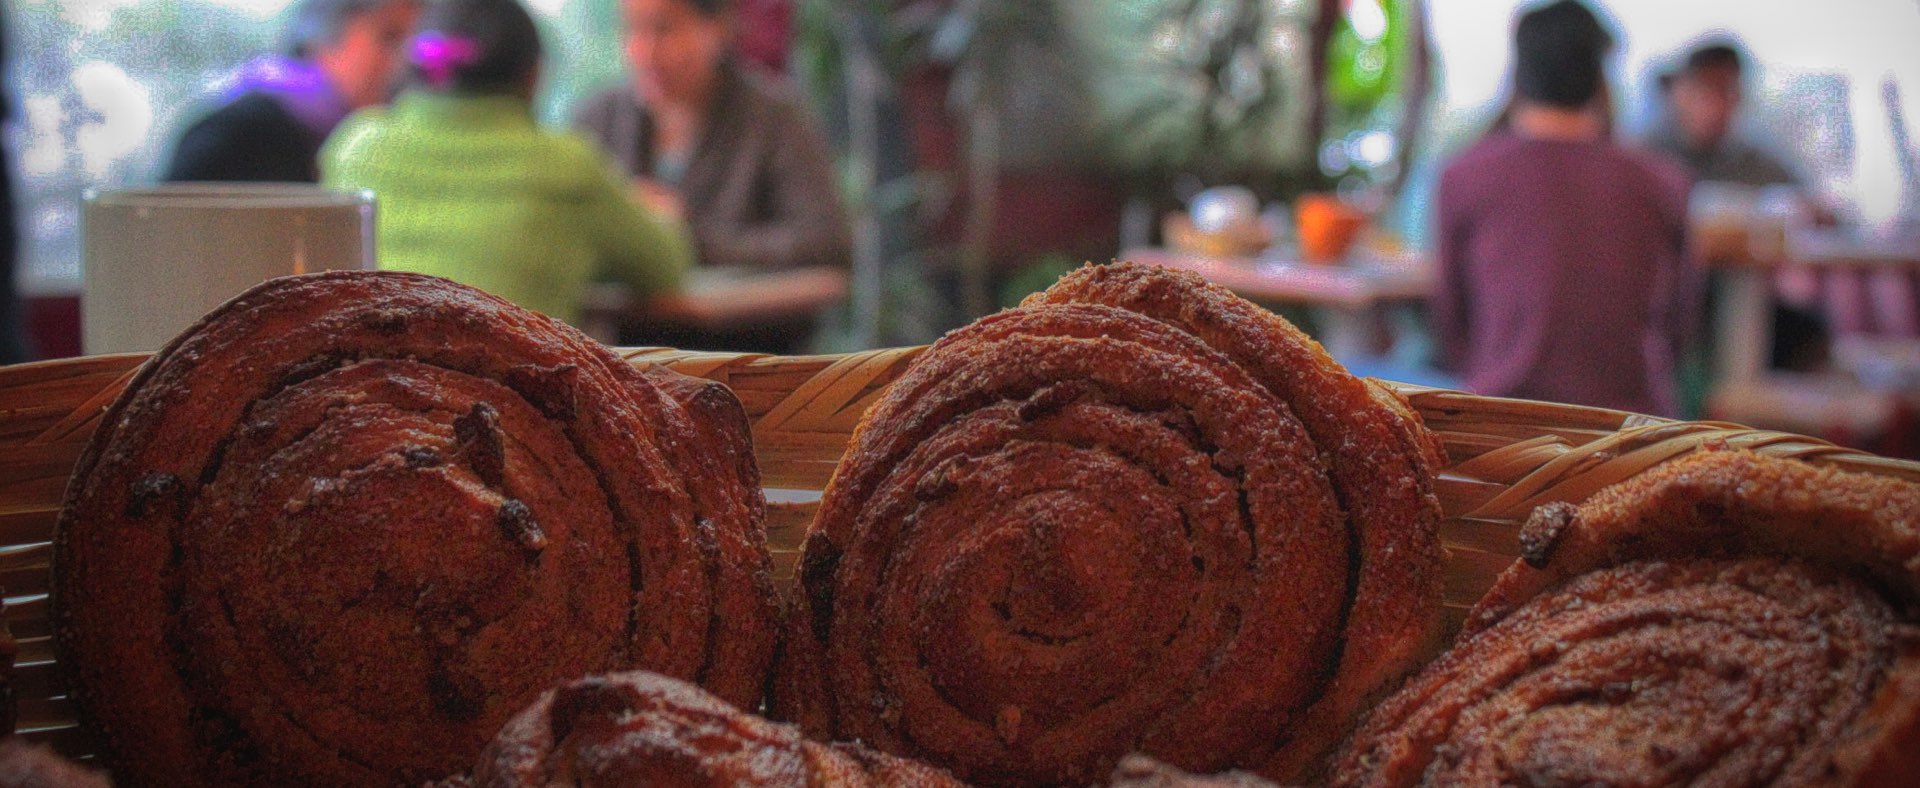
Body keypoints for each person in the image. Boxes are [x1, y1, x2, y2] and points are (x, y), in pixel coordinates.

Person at [321, 0, 693, 326]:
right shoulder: (564, 166)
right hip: (505, 383)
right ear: (532, 77)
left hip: (364, 380)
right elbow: (665, 270)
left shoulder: (354, 146)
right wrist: (663, 213)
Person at [1433, 0, 1696, 417]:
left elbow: (1452, 325)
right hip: (1634, 429)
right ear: (1599, 77)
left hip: (1501, 424)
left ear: (1518, 74)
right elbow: (1680, 327)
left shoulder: (1463, 176)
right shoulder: (1663, 182)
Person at [574, 0, 849, 273]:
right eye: (632, 28)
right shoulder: (598, 120)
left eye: (664, 29)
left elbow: (826, 242)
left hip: (745, 302)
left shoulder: (773, 119)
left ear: (718, 27)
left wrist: (688, 236)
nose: (644, 52)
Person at [165, 0, 422, 182]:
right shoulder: (236, 133)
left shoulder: (364, 142)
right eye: (390, 37)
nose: (403, 61)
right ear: (325, 32)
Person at [1645, 41, 1800, 189]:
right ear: (1677, 94)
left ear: (1738, 98)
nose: (1714, 104)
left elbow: (1798, 199)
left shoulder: (1763, 170)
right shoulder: (1645, 159)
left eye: (1725, 91)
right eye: (1703, 90)